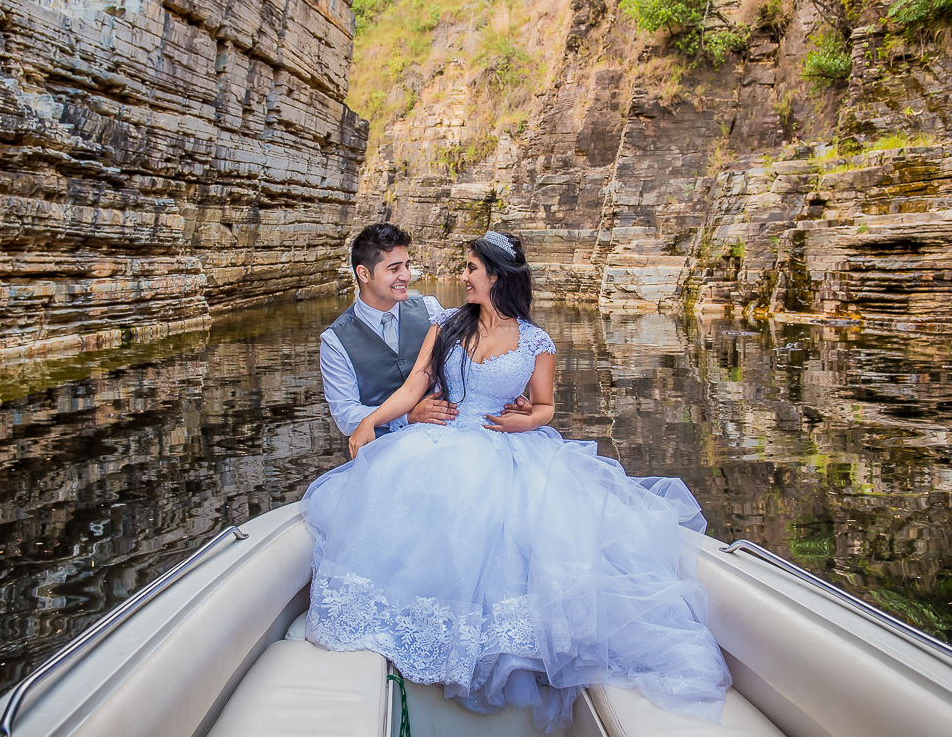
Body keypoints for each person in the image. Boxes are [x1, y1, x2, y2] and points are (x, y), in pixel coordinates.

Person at [301, 231, 731, 732]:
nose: (462, 277)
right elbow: (418, 382)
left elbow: (545, 407)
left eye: (470, 270)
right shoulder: (444, 324)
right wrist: (371, 422)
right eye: (464, 268)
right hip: (443, 440)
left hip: (508, 448)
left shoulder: (536, 341)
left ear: (497, 278)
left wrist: (529, 420)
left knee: (515, 529)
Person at [320, 223, 529, 437]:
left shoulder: (431, 309)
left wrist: (506, 395)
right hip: (379, 445)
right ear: (364, 274)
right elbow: (346, 417)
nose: (406, 275)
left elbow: (473, 361)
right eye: (395, 269)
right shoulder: (335, 341)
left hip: (444, 436)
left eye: (407, 266)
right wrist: (407, 416)